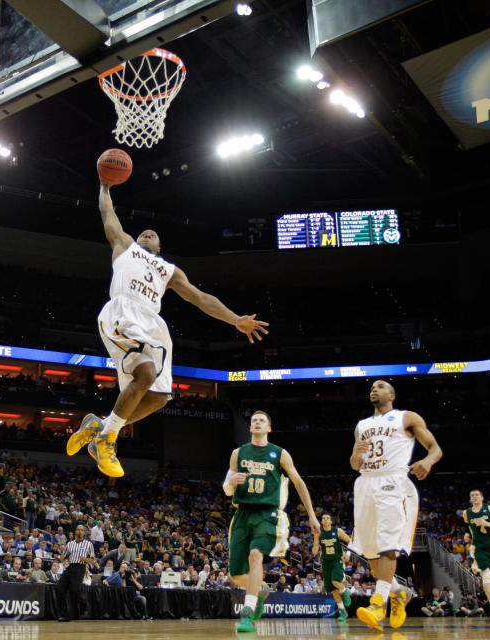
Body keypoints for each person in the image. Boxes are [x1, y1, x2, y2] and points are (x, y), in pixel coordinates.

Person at [65, 182, 268, 477]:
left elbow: (200, 298)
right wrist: (104, 186)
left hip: (153, 323)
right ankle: (107, 439)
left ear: (159, 247)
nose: (147, 234)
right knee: (145, 374)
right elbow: (107, 212)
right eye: (143, 233)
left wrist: (235, 319)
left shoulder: (170, 270)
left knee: (160, 396)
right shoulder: (125, 246)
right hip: (123, 311)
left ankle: (100, 425)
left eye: (153, 234)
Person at [349, 380, 443, 631]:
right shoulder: (362, 425)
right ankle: (399, 592)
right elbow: (354, 464)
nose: (374, 389)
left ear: (392, 395)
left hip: (393, 481)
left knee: (388, 546)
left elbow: (435, 448)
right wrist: (357, 455)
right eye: (371, 387)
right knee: (370, 555)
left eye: (380, 386)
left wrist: (428, 461)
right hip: (365, 483)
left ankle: (378, 604)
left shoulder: (406, 418)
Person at [223, 410, 320, 633]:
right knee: (236, 574)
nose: (257, 422)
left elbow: (298, 482)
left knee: (255, 555)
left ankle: (247, 613)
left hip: (268, 514)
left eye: (262, 420)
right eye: (254, 420)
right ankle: (261, 590)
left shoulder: (280, 453)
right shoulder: (238, 453)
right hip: (242, 514)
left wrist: (312, 515)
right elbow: (227, 488)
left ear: (269, 428)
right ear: (250, 428)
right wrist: (231, 482)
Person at [462, 489, 490, 617]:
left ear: (482, 497)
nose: (474, 497)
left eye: (476, 495)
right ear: (470, 499)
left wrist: (486, 523)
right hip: (478, 547)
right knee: (485, 574)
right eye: (472, 495)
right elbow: (467, 525)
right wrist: (467, 534)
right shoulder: (466, 513)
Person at [312, 513, 353, 621]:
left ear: (331, 521)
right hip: (326, 563)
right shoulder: (318, 534)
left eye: (327, 518)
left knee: (335, 581)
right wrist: (315, 549)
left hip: (337, 560)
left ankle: (345, 592)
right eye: (323, 518)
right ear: (321, 522)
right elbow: (315, 549)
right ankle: (342, 611)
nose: (325, 520)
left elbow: (351, 542)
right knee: (334, 590)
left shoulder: (337, 531)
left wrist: (348, 554)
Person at [56, 525, 96, 621]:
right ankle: (64, 615)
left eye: (81, 530)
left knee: (74, 590)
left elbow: (93, 560)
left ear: (84, 533)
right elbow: (63, 557)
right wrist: (63, 560)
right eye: (78, 529)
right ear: (75, 531)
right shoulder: (70, 543)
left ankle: (84, 605)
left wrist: (85, 559)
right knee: (59, 588)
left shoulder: (88, 544)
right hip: (70, 567)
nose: (79, 531)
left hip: (80, 567)